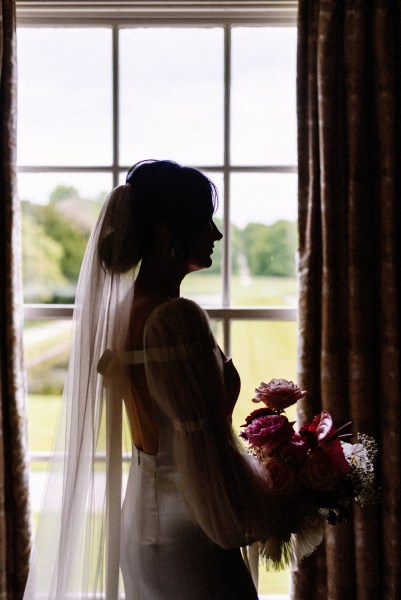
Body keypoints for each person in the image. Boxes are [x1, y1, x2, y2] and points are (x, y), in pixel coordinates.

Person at [23, 160, 317, 600]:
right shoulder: (173, 319)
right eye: (204, 222)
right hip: (192, 526)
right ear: (166, 233)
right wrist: (282, 503)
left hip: (145, 519)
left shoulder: (123, 310)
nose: (216, 235)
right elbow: (201, 449)